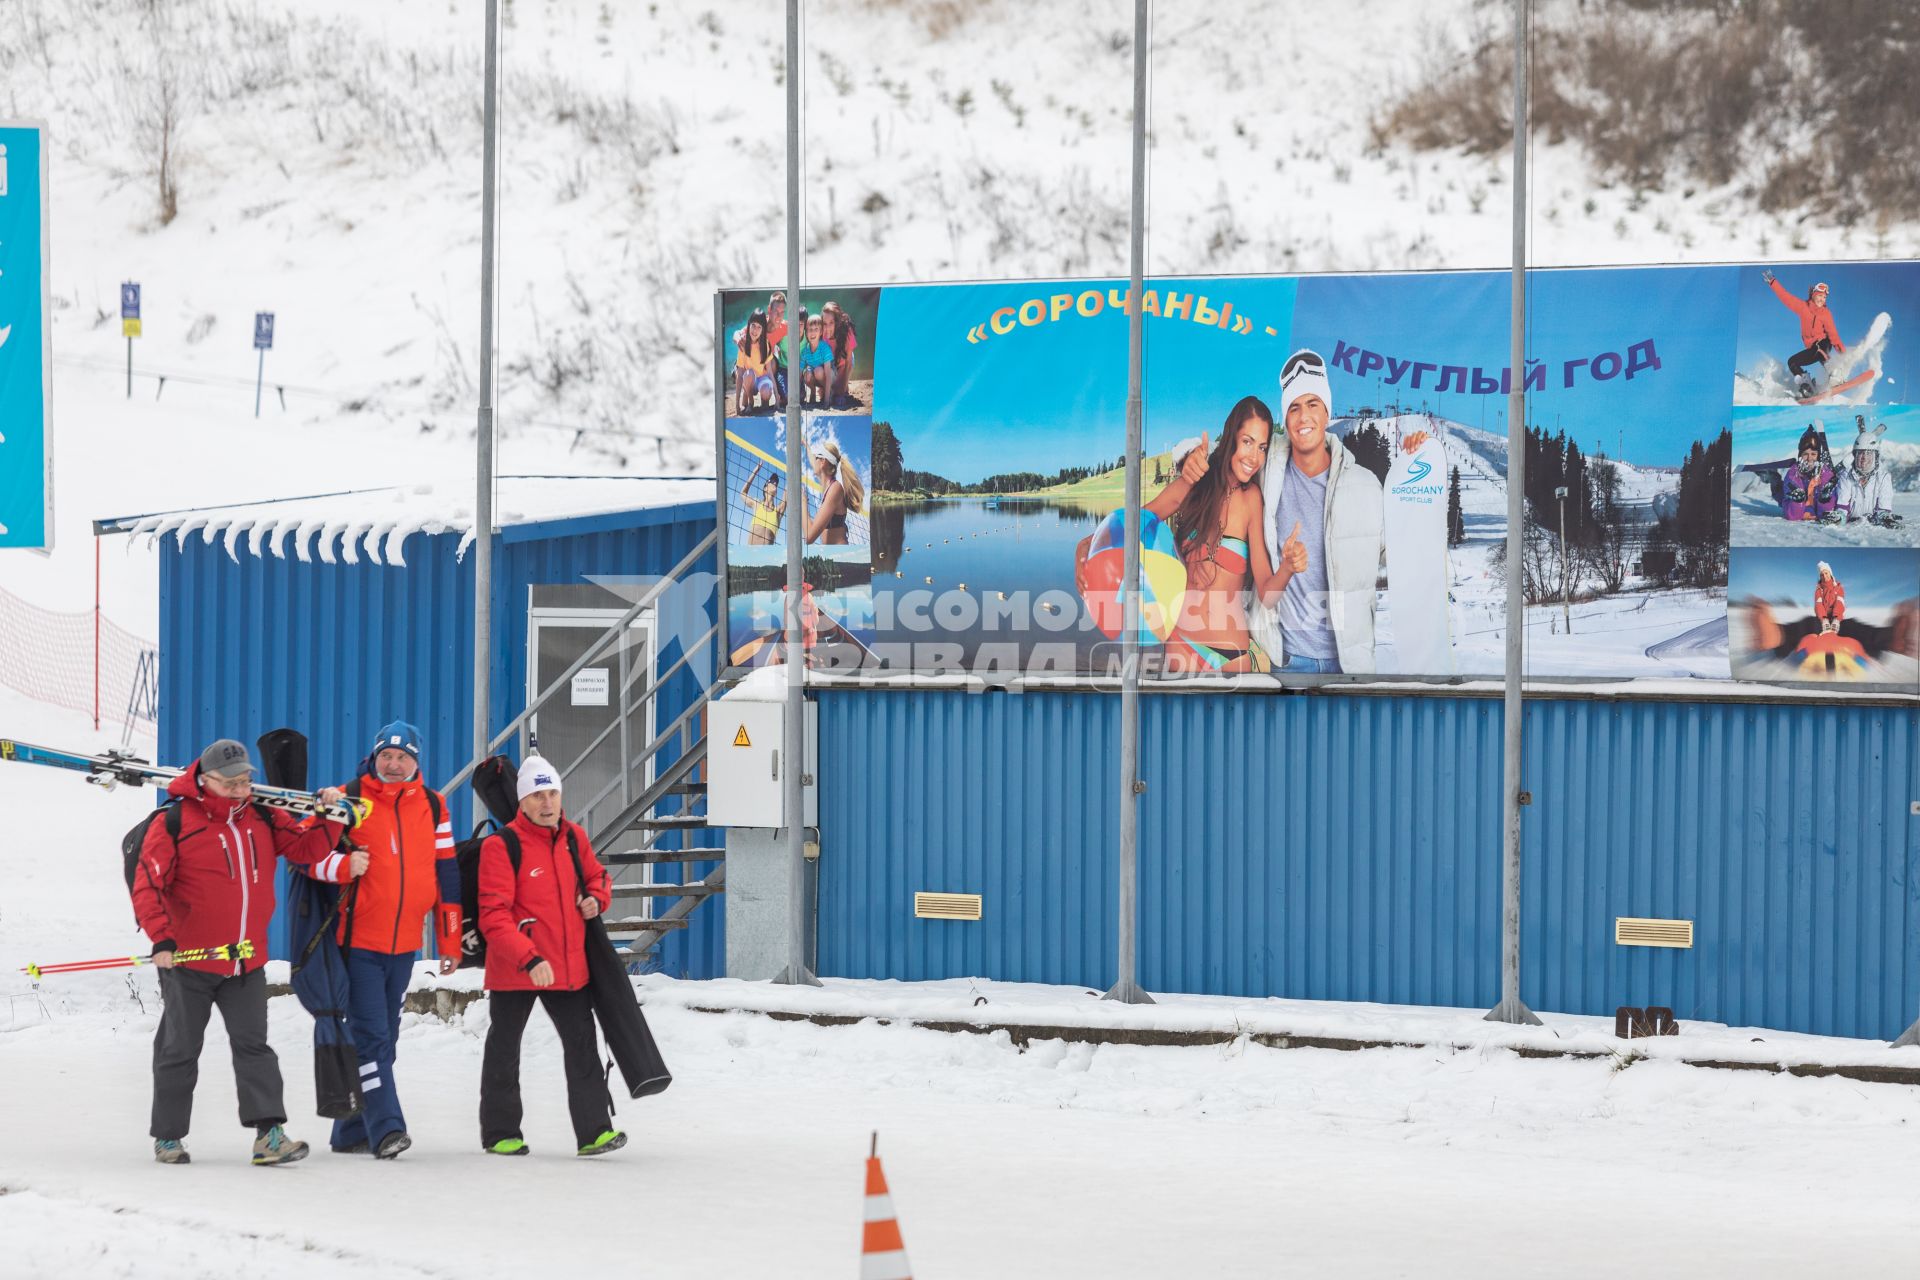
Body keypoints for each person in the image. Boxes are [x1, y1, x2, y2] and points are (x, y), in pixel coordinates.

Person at [131, 739, 365, 1167]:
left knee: (254, 1047)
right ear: (206, 780)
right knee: (179, 1049)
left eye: (246, 781)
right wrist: (161, 939)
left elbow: (305, 851)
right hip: (190, 961)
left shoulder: (262, 815)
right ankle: (168, 1136)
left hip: (245, 958)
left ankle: (269, 1134)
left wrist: (329, 818)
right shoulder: (175, 822)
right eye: (231, 783)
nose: (241, 790)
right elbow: (148, 884)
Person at [1172, 349, 1427, 674]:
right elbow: (1229, 457)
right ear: (1285, 418)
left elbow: (1404, 557)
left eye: (1312, 404)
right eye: (1294, 407)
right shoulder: (1266, 469)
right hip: (1281, 663)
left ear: (1327, 412)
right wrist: (1187, 456)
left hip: (1348, 666)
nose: (1303, 417)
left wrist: (1417, 472)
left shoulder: (1365, 487)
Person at [306, 720, 460, 1160]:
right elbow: (308, 860)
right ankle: (387, 1127)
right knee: (373, 1036)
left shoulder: (434, 805)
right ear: (374, 759)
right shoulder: (347, 799)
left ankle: (348, 1130)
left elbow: (446, 872)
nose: (393, 765)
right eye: (385, 757)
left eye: (403, 757)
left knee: (385, 1037)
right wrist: (340, 860)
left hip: (405, 945)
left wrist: (449, 941)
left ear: (417, 761)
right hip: (357, 943)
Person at [477, 756, 624, 1158]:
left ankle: (595, 1132)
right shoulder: (501, 846)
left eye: (553, 793)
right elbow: (493, 915)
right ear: (522, 802)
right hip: (517, 966)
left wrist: (597, 899)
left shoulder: (574, 837)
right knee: (505, 1049)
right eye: (538, 795)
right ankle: (500, 1132)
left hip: (567, 965)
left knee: (582, 1046)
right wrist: (529, 958)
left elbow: (597, 877)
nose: (547, 802)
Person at [1144, 397, 1277, 672]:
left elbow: (1266, 586)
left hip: (1232, 654)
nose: (1254, 457)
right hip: (1181, 643)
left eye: (1262, 447)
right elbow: (1142, 518)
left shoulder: (1252, 498)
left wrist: (1288, 567)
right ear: (1231, 438)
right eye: (1247, 441)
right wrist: (1091, 543)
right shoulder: (1196, 484)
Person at [1763, 270, 1845, 398]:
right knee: (1792, 362)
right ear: (1814, 294)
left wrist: (1843, 353)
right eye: (1820, 295)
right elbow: (1786, 297)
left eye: (1824, 297)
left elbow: (1833, 335)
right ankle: (1807, 385)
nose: (1822, 299)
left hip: (1824, 343)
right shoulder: (1803, 307)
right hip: (1812, 349)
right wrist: (1773, 282)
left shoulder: (1826, 313)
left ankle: (1835, 374)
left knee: (1820, 347)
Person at [1838, 416, 1902, 529]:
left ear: (1876, 457)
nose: (1864, 458)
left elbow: (1883, 509)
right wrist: (1838, 518)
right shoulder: (1845, 476)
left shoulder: (1883, 478)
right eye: (1860, 453)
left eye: (1869, 454)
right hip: (1850, 530)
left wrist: (1885, 517)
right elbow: (1842, 508)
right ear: (1854, 456)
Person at [804, 438, 866, 545]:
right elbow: (812, 460)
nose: (814, 461)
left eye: (816, 458)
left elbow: (809, 537)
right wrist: (806, 445)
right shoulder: (827, 486)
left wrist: (802, 503)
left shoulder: (835, 489)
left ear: (823, 462)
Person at [732, 310, 777, 415]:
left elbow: (770, 372)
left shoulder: (764, 344)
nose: (755, 330)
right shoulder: (743, 342)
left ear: (763, 330)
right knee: (748, 374)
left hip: (762, 377)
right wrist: (736, 403)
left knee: (765, 400)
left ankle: (758, 400)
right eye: (753, 325)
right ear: (748, 325)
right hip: (749, 379)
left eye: (759, 327)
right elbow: (740, 375)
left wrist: (777, 397)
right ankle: (750, 400)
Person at [821, 301, 859, 408]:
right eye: (825, 323)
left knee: (839, 394)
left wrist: (842, 392)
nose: (827, 327)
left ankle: (844, 387)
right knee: (828, 394)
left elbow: (848, 362)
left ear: (837, 322)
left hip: (845, 362)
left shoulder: (847, 331)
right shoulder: (821, 330)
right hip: (831, 364)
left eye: (831, 323)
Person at [740, 462, 785, 546]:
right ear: (765, 488)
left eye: (776, 482)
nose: (775, 483)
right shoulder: (757, 504)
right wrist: (755, 471)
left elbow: (789, 487)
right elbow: (742, 493)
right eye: (772, 481)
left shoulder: (778, 510)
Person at [800, 313, 835, 407]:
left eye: (816, 329)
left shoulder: (824, 348)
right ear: (806, 332)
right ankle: (813, 392)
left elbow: (828, 374)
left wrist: (826, 400)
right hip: (816, 377)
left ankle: (829, 392)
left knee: (818, 370)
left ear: (821, 332)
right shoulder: (805, 351)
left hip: (829, 376)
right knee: (806, 374)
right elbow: (799, 372)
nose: (813, 333)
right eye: (810, 330)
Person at [1814, 561, 1846, 635]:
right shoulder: (1819, 590)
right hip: (1823, 619)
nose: (1824, 576)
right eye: (1822, 575)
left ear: (1830, 573)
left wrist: (1836, 619)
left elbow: (1839, 603)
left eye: (1826, 573)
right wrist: (1824, 620)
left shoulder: (1838, 587)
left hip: (1836, 618)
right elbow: (1819, 605)